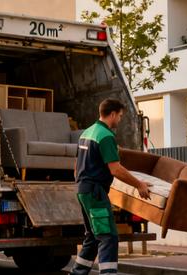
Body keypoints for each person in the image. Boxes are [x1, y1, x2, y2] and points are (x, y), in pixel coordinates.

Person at [70, 99, 150, 275]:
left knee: (92, 236)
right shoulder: (106, 136)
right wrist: (139, 184)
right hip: (95, 192)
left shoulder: (87, 132)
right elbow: (115, 169)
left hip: (83, 190)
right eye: (120, 116)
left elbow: (76, 167)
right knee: (108, 237)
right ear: (112, 114)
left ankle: (77, 273)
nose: (120, 120)